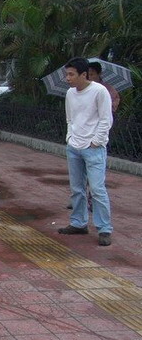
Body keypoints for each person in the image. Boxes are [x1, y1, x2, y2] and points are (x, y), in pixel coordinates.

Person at [57, 57, 113, 246]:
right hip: (74, 147)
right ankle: (78, 223)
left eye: (72, 74)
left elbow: (106, 119)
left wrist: (96, 142)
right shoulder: (70, 94)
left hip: (93, 148)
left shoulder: (99, 91)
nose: (68, 78)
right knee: (77, 188)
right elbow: (69, 118)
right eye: (67, 74)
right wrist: (70, 138)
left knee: (97, 189)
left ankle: (104, 228)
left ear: (84, 75)